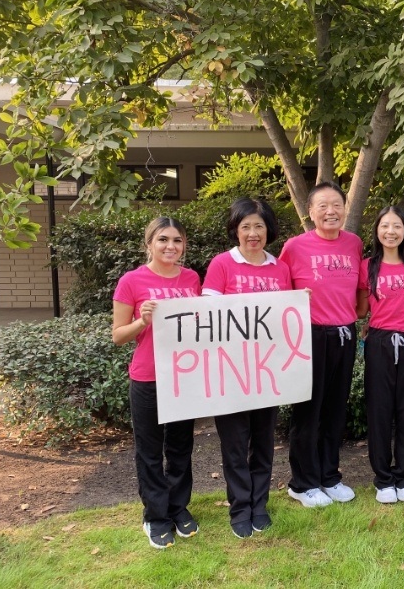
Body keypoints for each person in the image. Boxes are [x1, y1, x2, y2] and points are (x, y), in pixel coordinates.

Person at [202, 197, 292, 538]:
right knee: (235, 444)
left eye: (259, 226)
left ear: (268, 229)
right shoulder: (222, 264)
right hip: (231, 370)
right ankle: (240, 508)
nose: (253, 233)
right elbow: (208, 318)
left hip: (267, 371)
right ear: (235, 230)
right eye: (245, 227)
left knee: (264, 441)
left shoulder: (279, 268)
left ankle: (259, 504)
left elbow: (286, 318)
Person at [112, 216, 201, 549]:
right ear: (148, 243)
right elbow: (118, 336)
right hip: (148, 377)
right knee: (149, 452)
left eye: (177, 240)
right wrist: (141, 320)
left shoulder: (192, 278)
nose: (170, 247)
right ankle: (155, 516)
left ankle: (178, 508)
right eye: (163, 239)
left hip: (183, 376)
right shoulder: (132, 281)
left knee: (180, 448)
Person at [279, 181, 363, 507]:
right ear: (310, 212)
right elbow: (281, 295)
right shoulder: (295, 247)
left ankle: (329, 476)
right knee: (308, 412)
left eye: (336, 205)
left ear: (344, 208)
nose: (331, 211)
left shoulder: (354, 244)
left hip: (344, 333)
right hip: (309, 336)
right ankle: (302, 483)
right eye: (323, 206)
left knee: (334, 411)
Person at [356, 206, 404, 504]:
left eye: (397, 226)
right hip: (380, 342)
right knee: (380, 411)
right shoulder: (366, 266)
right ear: (377, 231)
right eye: (385, 226)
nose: (391, 232)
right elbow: (360, 309)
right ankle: (383, 478)